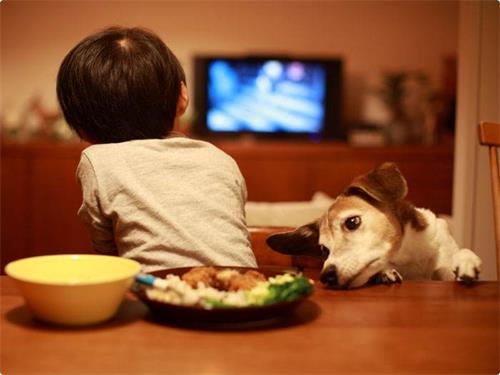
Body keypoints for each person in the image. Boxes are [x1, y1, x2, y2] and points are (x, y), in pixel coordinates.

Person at [56, 26, 257, 272]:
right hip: (249, 296)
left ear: (80, 124)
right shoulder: (220, 159)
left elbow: (109, 256)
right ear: (182, 97)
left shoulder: (98, 161)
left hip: (158, 298)